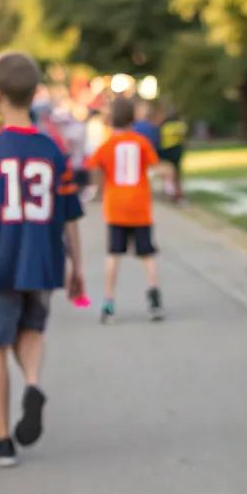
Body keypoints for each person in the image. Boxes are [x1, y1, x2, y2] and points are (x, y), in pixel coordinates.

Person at [0, 52, 85, 468]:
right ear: (35, 92)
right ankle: (32, 382)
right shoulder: (53, 151)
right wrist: (76, 267)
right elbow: (70, 218)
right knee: (31, 330)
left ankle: (2, 439)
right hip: (44, 262)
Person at [85, 95, 163, 323]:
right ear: (133, 117)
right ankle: (154, 296)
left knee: (113, 254)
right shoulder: (140, 142)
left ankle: (109, 301)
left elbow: (94, 168)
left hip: (115, 205)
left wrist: (100, 189)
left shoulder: (107, 145)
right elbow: (153, 165)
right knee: (147, 253)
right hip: (139, 205)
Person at [157, 108, 188, 201]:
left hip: (167, 150)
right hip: (177, 150)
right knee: (177, 173)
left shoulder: (164, 126)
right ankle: (177, 193)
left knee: (169, 173)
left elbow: (161, 138)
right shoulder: (181, 126)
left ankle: (170, 191)